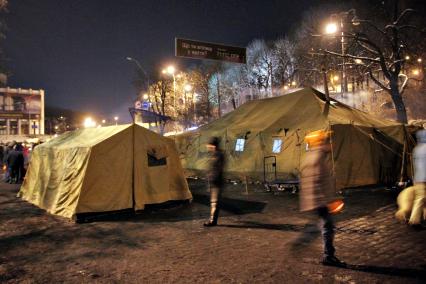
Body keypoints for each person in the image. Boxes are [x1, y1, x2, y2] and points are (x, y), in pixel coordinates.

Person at [300, 129, 345, 267]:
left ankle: (305, 243)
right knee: (327, 227)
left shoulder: (312, 156)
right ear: (321, 143)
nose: (330, 144)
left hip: (316, 200)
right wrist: (328, 202)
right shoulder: (318, 158)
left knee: (324, 226)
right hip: (320, 201)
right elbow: (317, 182)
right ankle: (328, 256)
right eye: (327, 141)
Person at [396, 130, 426, 227]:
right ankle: (414, 221)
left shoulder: (416, 149)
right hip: (423, 178)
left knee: (421, 199)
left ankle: (419, 218)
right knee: (421, 199)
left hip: (418, 178)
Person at [204, 137, 225, 227]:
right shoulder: (215, 154)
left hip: (216, 181)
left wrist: (212, 178)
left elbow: (218, 169)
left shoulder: (218, 155)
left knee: (215, 202)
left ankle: (213, 221)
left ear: (213, 145)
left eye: (209, 145)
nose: (207, 146)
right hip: (215, 180)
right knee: (214, 202)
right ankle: (213, 219)